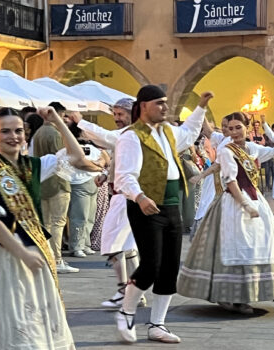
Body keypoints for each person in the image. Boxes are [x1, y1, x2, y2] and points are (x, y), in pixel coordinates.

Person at [0, 106, 97, 348]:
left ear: (26, 134)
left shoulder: (33, 165)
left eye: (19, 131)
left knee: (35, 322)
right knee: (9, 321)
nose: (14, 137)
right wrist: (22, 252)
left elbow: (76, 156)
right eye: (6, 131)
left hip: (34, 253)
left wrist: (56, 121)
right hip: (4, 257)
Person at [114, 86, 213, 343]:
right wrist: (139, 196)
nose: (165, 108)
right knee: (151, 264)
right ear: (144, 105)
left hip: (170, 205)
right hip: (145, 204)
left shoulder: (168, 132)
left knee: (169, 266)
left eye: (165, 103)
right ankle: (126, 312)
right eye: (160, 103)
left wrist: (201, 106)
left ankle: (157, 324)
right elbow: (124, 175)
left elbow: (189, 133)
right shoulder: (131, 136)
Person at [177, 113, 274, 314]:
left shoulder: (252, 148)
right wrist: (245, 205)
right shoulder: (226, 150)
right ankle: (231, 296)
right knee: (235, 246)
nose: (234, 132)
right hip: (233, 203)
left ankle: (246, 294)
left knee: (255, 246)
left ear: (247, 127)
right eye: (230, 129)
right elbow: (230, 181)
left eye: (238, 127)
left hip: (255, 199)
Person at [69, 98, 146, 309]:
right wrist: (106, 174)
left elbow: (106, 137)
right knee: (128, 248)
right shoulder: (130, 134)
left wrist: (81, 122)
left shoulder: (132, 133)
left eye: (121, 114)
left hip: (126, 197)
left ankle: (125, 290)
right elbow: (119, 160)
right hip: (124, 195)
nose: (117, 118)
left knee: (112, 244)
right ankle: (134, 291)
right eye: (115, 114)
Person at [33, 102, 78, 273]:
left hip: (42, 182)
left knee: (46, 224)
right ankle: (57, 259)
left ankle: (47, 257)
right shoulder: (56, 133)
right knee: (58, 223)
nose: (65, 119)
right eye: (64, 115)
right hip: (58, 182)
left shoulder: (38, 133)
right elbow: (63, 158)